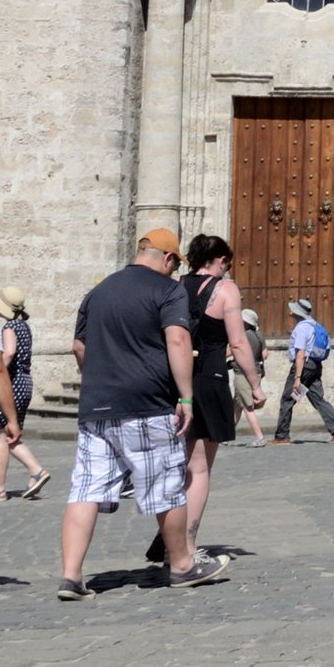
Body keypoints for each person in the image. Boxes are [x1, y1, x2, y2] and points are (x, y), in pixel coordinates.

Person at [57, 228, 230, 598]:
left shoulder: (97, 292)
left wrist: (99, 380)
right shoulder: (167, 290)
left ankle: (71, 576)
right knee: (166, 488)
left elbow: (78, 346)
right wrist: (185, 397)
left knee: (85, 488)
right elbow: (178, 339)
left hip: (97, 407)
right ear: (167, 259)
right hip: (147, 404)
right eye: (173, 265)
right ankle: (183, 565)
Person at [143, 236, 265, 564]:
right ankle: (185, 546)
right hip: (208, 382)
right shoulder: (226, 290)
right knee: (198, 471)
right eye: (227, 262)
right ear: (220, 259)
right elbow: (238, 343)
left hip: (172, 382)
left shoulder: (173, 286)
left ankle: (169, 536)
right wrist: (255, 385)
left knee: (178, 466)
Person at [0, 285, 52, 500]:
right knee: (7, 433)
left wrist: (0, 369)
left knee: (0, 434)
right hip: (25, 381)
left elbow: (9, 352)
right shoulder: (23, 325)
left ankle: (0, 488)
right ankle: (35, 471)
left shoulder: (9, 326)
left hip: (12, 382)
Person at [273, 297, 334, 442]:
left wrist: (298, 378)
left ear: (296, 313)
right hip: (316, 366)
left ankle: (281, 436)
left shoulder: (301, 328)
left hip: (303, 366)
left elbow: (300, 353)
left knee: (287, 399)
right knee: (318, 398)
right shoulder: (317, 327)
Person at [236, 306, 270, 445]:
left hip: (242, 373)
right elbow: (265, 355)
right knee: (236, 406)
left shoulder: (243, 336)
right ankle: (225, 436)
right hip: (256, 372)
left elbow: (232, 351)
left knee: (247, 407)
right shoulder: (259, 335)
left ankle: (260, 437)